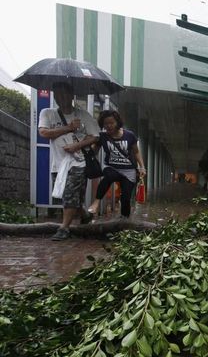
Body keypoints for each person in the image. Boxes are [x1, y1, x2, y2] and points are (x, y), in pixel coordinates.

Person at [38, 82, 100, 241]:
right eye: (58, 94)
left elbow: (96, 136)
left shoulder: (83, 114)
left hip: (79, 162)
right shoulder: (47, 113)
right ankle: (85, 214)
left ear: (71, 95)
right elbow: (43, 133)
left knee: (70, 195)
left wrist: (77, 145)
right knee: (69, 197)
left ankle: (64, 228)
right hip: (58, 164)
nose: (61, 97)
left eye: (65, 94)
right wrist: (68, 128)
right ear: (54, 96)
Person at [87, 110, 146, 219]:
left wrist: (142, 167)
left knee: (126, 198)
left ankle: (124, 219)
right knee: (109, 176)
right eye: (105, 123)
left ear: (117, 122)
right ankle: (96, 202)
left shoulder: (129, 135)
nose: (109, 126)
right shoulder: (102, 136)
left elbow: (136, 152)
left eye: (111, 123)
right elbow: (94, 151)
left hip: (128, 170)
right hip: (110, 166)